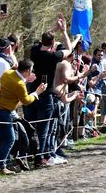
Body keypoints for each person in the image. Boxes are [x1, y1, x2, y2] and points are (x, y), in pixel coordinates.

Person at [24, 14, 80, 168]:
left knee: (32, 125)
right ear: (53, 43)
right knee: (45, 127)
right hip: (46, 94)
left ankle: (32, 156)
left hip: (31, 92)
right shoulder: (52, 56)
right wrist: (63, 31)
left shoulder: (34, 51)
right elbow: (69, 49)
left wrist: (54, 28)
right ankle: (42, 158)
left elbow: (44, 40)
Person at [0, 60, 46, 175]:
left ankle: (3, 163)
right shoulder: (20, 84)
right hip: (4, 111)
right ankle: (1, 166)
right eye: (31, 70)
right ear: (27, 71)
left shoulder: (8, 73)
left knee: (2, 138)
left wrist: (26, 80)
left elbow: (14, 86)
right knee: (9, 139)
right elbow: (26, 101)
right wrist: (37, 92)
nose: (32, 72)